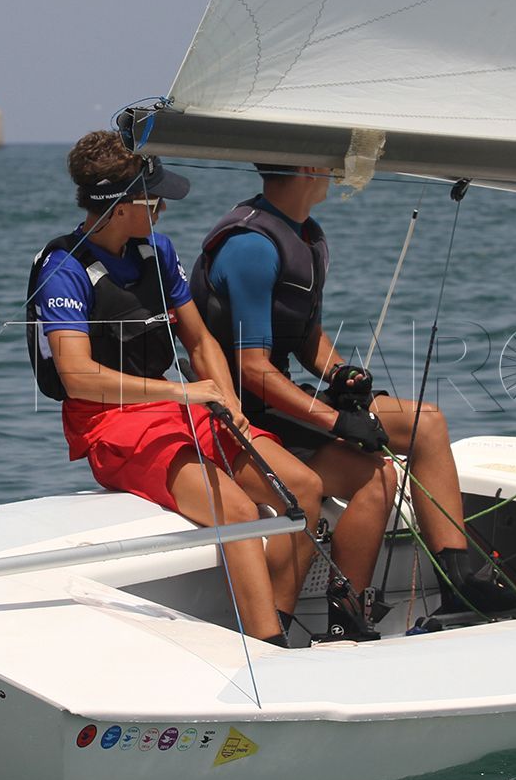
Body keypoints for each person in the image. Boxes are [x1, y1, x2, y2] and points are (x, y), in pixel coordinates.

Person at [27, 132, 325, 646]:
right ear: (121, 207)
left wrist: (230, 403)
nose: (163, 207)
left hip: (176, 408)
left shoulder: (158, 251)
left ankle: (280, 624)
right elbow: (77, 376)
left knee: (303, 487)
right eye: (154, 199)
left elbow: (201, 342)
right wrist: (183, 394)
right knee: (237, 511)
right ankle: (268, 647)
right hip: (109, 425)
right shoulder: (63, 269)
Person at [191, 164, 516, 618]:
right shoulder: (251, 247)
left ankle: (456, 584)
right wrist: (337, 421)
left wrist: (339, 374)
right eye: (330, 161)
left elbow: (305, 335)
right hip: (243, 414)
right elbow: (252, 370)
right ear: (307, 168)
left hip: (281, 396)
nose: (337, 169)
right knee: (378, 474)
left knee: (426, 424)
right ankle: (347, 611)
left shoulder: (306, 236)